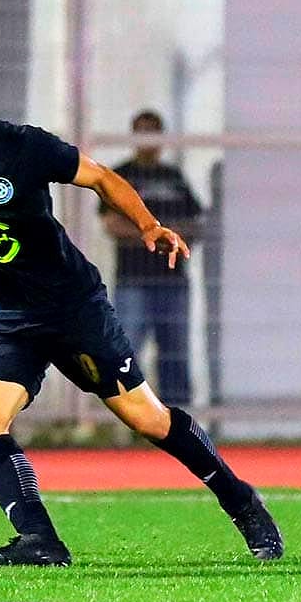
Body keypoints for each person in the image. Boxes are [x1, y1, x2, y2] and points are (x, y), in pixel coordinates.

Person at [0, 52, 283, 565]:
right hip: (4, 318)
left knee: (146, 419)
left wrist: (148, 226)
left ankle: (242, 502)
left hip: (72, 307)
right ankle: (41, 542)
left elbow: (102, 177)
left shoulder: (22, 147)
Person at [99, 110, 203, 405]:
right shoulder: (122, 175)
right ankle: (128, 414)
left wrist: (169, 233)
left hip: (172, 280)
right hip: (134, 280)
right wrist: (151, 233)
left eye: (153, 132)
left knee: (175, 351)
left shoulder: (173, 177)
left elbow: (195, 222)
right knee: (126, 352)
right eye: (142, 131)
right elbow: (111, 223)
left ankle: (180, 419)